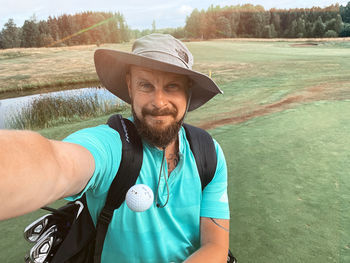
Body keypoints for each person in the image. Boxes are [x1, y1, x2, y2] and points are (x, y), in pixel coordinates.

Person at [0, 34, 230, 262]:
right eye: (145, 85)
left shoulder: (208, 153)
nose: (159, 102)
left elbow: (215, 245)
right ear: (130, 86)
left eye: (172, 86)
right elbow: (58, 163)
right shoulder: (111, 146)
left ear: (187, 92)